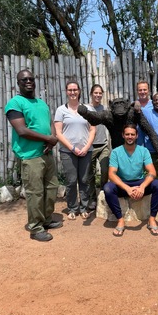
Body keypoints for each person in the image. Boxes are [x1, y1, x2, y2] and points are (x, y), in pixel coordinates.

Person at [5, 69, 61, 242]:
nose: (28, 81)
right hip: (31, 156)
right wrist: (49, 139)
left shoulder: (41, 103)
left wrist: (53, 140)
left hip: (47, 153)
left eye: (30, 78)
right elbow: (21, 130)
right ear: (18, 83)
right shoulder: (15, 103)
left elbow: (50, 123)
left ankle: (46, 219)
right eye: (24, 79)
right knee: (35, 192)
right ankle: (36, 228)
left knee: (52, 188)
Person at [103, 124, 158, 237]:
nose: (129, 137)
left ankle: (152, 219)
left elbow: (152, 172)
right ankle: (120, 220)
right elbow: (111, 174)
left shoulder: (143, 151)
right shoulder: (116, 152)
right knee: (108, 188)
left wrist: (142, 187)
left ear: (136, 136)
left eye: (132, 134)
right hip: (123, 185)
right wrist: (127, 189)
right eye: (127, 134)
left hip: (139, 182)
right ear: (123, 135)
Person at [54, 81, 96, 220]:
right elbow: (58, 133)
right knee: (71, 181)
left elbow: (92, 130)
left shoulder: (87, 109)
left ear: (79, 91)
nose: (72, 92)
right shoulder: (61, 110)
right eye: (70, 90)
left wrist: (85, 147)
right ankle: (72, 208)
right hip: (67, 152)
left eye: (75, 90)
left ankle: (84, 207)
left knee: (84, 180)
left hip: (86, 150)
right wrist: (72, 148)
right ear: (66, 91)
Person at [86, 84, 110, 212]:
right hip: (90, 146)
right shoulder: (86, 109)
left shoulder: (104, 109)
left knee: (106, 168)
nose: (98, 95)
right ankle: (92, 198)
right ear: (91, 93)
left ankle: (103, 192)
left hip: (103, 144)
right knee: (90, 174)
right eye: (96, 93)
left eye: (100, 93)